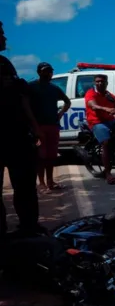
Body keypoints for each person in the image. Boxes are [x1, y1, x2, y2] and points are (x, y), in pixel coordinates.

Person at [0, 20, 44, 240]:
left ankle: (29, 227)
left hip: (16, 135)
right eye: (1, 33)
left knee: (25, 185)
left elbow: (22, 99)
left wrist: (35, 128)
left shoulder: (5, 64)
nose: (5, 38)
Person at [29, 62, 71, 192]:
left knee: (51, 156)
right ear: (39, 72)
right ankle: (41, 183)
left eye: (50, 71)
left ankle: (50, 181)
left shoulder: (54, 88)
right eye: (45, 71)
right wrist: (33, 126)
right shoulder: (32, 87)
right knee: (41, 156)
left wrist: (60, 113)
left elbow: (67, 101)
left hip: (53, 125)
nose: (48, 74)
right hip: (38, 126)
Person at [84, 74, 115, 185]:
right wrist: (106, 108)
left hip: (110, 121)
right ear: (94, 83)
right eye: (97, 81)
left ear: (106, 83)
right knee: (106, 143)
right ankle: (108, 174)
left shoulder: (108, 95)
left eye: (102, 81)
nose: (99, 83)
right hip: (97, 122)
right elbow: (93, 106)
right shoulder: (91, 93)